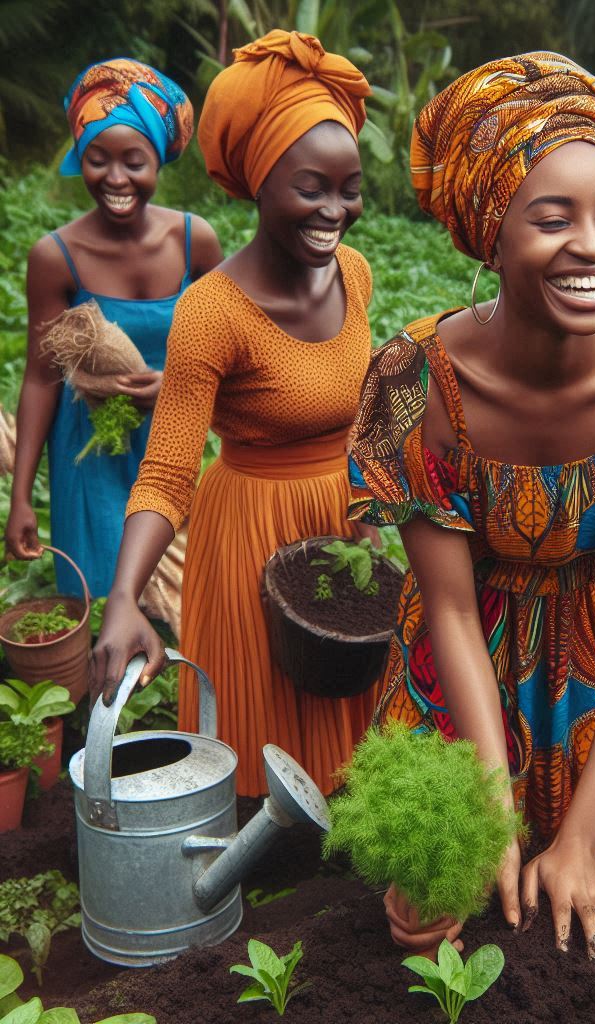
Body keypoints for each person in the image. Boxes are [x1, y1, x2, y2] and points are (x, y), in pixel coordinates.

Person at [347, 52, 595, 956]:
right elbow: (446, 601)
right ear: (492, 234)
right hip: (458, 665)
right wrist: (484, 798)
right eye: (552, 218)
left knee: (578, 892)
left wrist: (581, 843)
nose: (594, 247)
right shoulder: (418, 379)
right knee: (423, 919)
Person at [91, 31, 378, 797]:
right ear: (258, 181)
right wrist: (123, 600)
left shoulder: (355, 273)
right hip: (248, 535)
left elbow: (361, 419)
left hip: (339, 530)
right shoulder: (212, 311)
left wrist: (374, 512)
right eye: (310, 187)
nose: (334, 210)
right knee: (264, 755)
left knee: (350, 743)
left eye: (348, 187)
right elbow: (167, 470)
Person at [4, 59, 221, 597]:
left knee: (184, 593)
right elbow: (39, 377)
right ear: (81, 160)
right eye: (97, 160)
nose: (116, 179)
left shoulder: (195, 242)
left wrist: (174, 387)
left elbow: (232, 349)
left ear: (158, 161)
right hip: (90, 450)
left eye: (134, 161)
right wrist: (22, 497)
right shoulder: (56, 257)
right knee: (102, 595)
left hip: (172, 441)